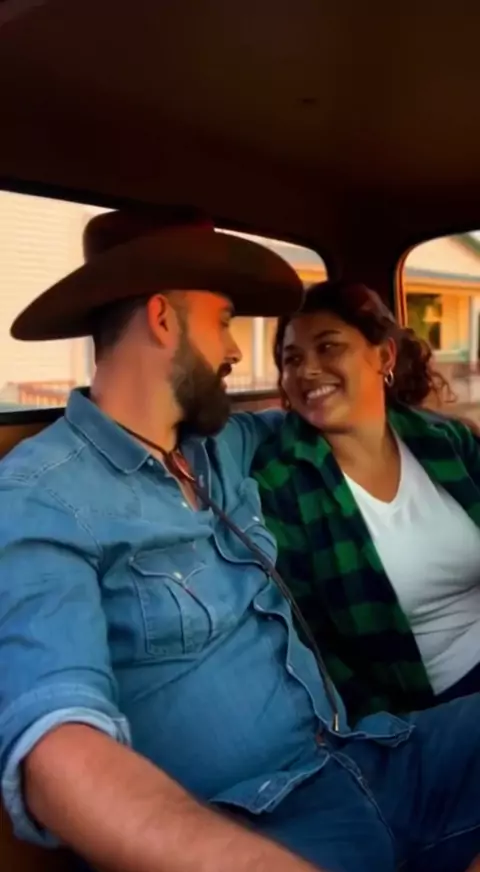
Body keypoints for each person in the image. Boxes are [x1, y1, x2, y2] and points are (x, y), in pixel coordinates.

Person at [0, 213, 480, 872]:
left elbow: (349, 413)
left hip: (369, 758)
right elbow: (55, 749)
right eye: (224, 321)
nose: (234, 351)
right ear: (163, 320)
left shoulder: (225, 446)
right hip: (255, 827)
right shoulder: (40, 496)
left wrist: (426, 419)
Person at [253, 280, 480, 723]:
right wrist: (395, 734)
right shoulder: (282, 485)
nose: (308, 370)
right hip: (431, 712)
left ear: (384, 357)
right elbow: (312, 642)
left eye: (328, 347)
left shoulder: (445, 441)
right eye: (292, 359)